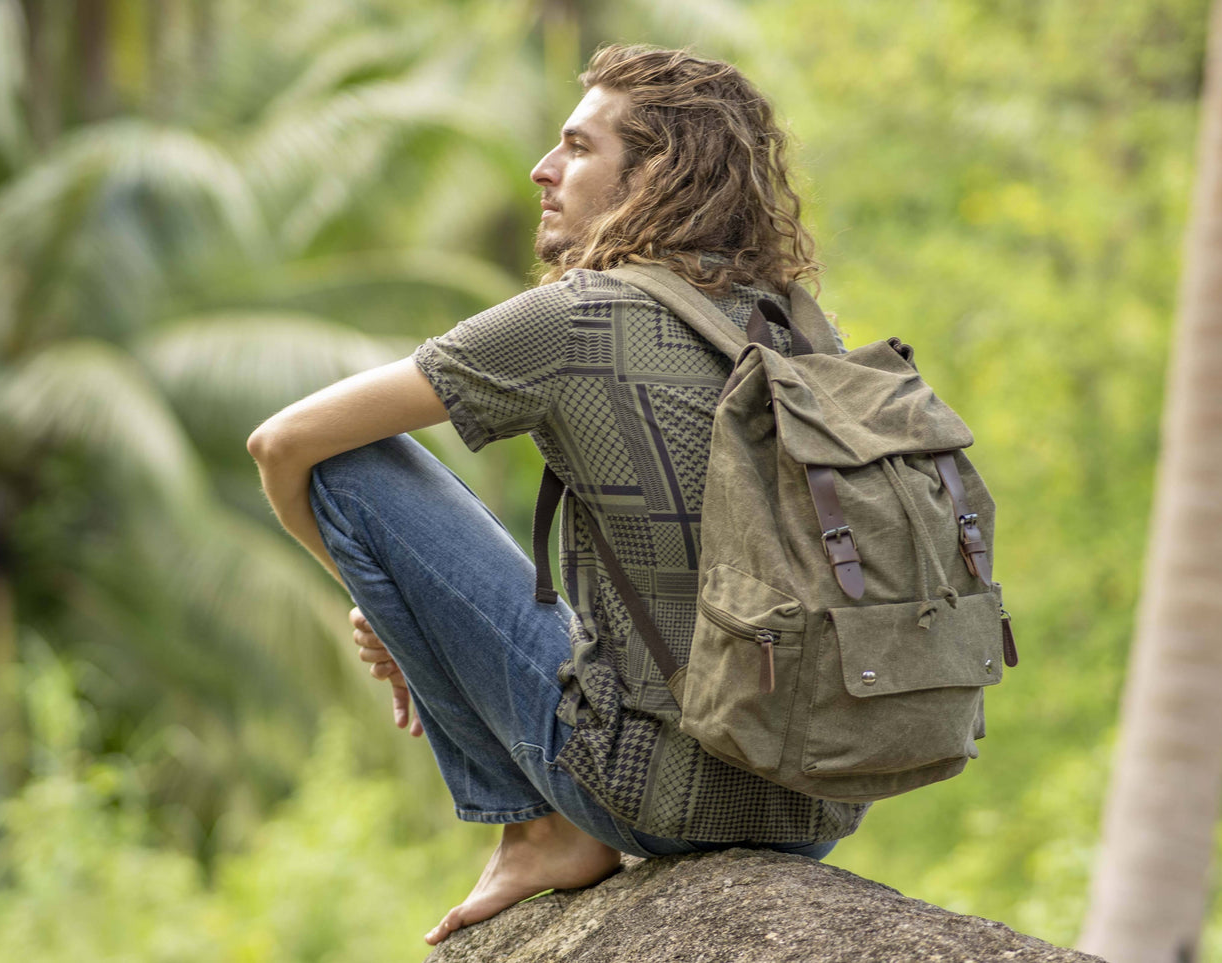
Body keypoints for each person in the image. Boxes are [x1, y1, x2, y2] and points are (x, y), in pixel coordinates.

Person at [246, 44, 868, 946]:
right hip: (815, 805)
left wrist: (388, 611)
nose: (542, 169)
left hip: (652, 794)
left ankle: (541, 827)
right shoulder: (801, 330)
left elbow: (283, 442)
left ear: (656, 173)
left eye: (577, 148)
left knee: (350, 462)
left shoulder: (574, 316)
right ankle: (555, 822)